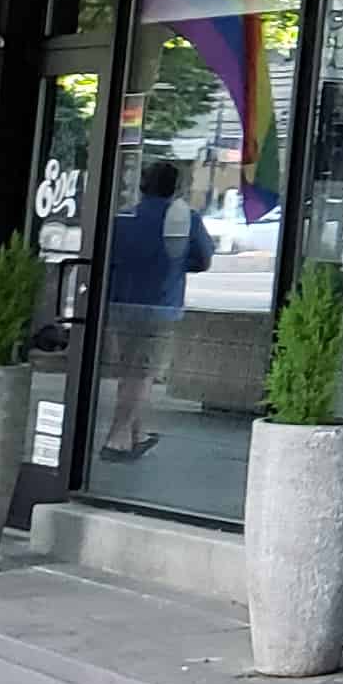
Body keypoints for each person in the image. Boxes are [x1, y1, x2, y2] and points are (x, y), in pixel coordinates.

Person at [99, 157, 211, 458]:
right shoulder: (186, 220)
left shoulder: (123, 218)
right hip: (160, 305)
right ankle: (117, 438)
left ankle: (137, 434)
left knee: (129, 371)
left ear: (142, 186)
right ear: (175, 188)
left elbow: (107, 259)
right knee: (141, 375)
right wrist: (174, 265)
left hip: (120, 303)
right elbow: (202, 260)